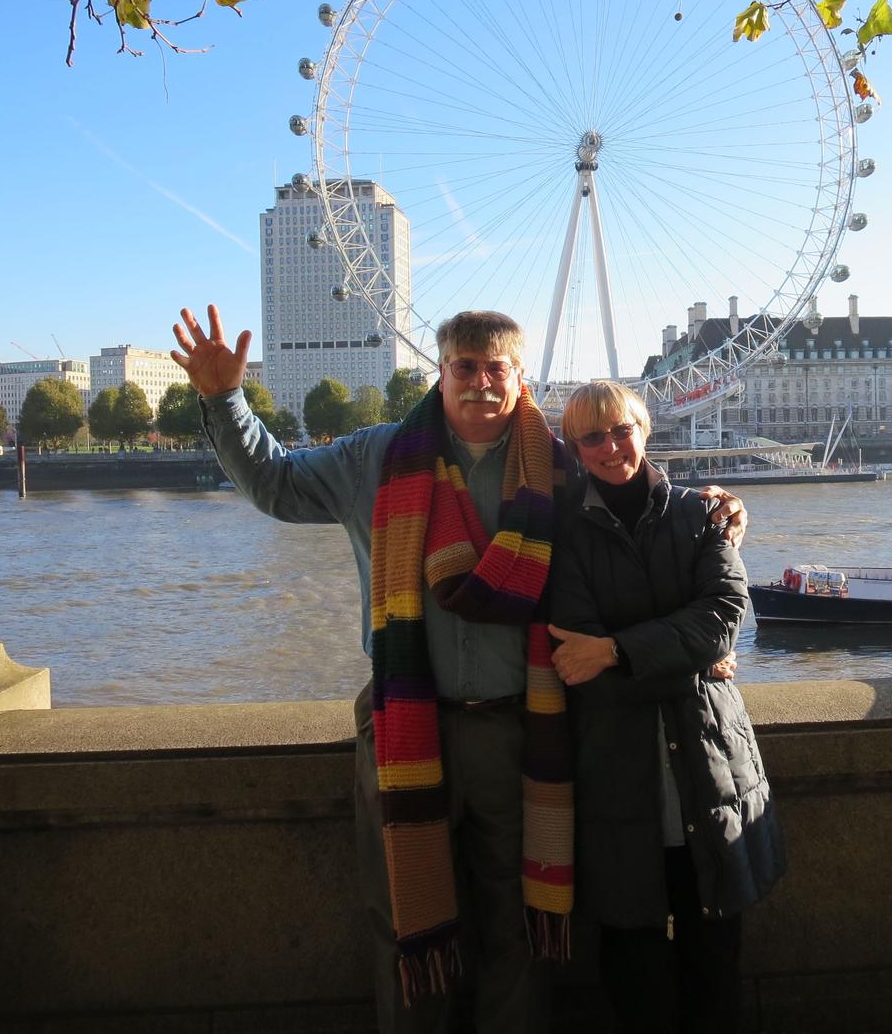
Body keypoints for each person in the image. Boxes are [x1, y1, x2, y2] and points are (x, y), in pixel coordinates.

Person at [169, 306, 745, 1034]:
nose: (479, 382)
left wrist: (718, 508)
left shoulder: (563, 469)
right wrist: (224, 400)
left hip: (525, 730)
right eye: (463, 367)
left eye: (494, 368)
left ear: (519, 377)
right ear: (439, 373)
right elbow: (275, 486)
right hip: (409, 725)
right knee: (405, 922)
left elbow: (643, 515)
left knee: (521, 926)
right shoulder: (375, 458)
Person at [547, 380, 784, 1034]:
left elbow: (726, 618)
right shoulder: (562, 535)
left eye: (621, 429)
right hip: (620, 780)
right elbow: (573, 654)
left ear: (645, 429)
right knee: (634, 968)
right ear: (574, 448)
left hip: (707, 770)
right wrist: (686, 655)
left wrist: (619, 651)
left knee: (716, 964)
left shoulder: (701, 514)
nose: (611, 446)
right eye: (592, 436)